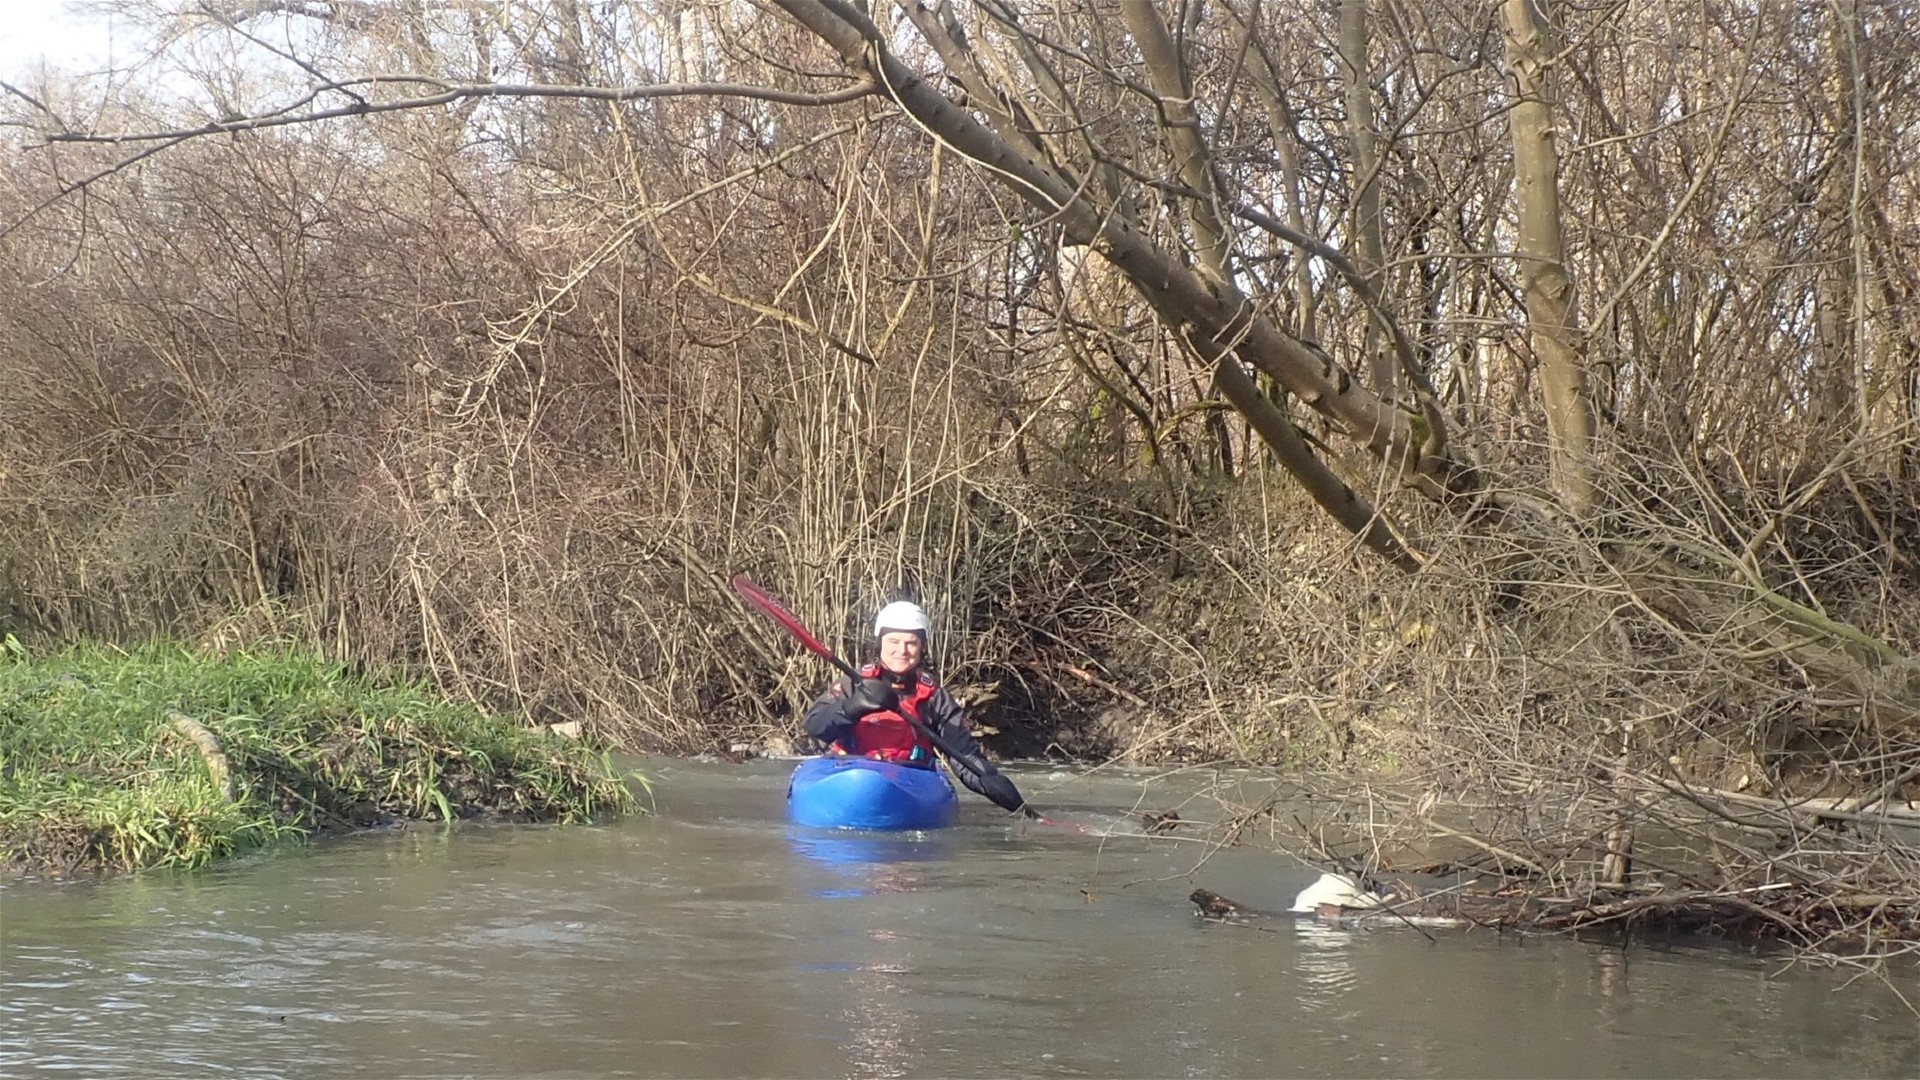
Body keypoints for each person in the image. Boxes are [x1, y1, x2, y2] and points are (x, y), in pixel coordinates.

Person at [803, 599, 1019, 807]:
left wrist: (988, 779)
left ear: (922, 647)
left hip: (910, 780)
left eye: (911, 643)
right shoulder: (852, 683)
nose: (902, 650)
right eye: (893, 642)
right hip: (847, 775)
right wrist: (853, 707)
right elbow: (814, 726)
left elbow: (964, 754)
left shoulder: (935, 697)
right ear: (879, 644)